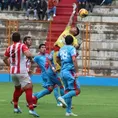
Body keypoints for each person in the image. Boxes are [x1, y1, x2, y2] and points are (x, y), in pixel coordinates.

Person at [3, 32, 39, 117]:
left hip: (13, 72)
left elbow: (4, 59)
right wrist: (31, 59)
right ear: (20, 39)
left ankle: (15, 107)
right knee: (29, 87)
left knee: (17, 89)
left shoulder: (9, 47)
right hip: (21, 71)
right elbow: (28, 54)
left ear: (12, 39)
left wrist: (11, 66)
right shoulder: (22, 45)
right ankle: (31, 108)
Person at [57, 35, 81, 116]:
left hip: (63, 72)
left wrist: (63, 64)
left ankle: (68, 111)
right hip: (69, 72)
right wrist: (77, 71)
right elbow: (74, 59)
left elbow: (57, 59)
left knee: (68, 91)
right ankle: (62, 98)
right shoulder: (72, 48)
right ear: (72, 41)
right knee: (77, 90)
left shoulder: (62, 48)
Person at [53, 3, 80, 72]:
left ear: (76, 32)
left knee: (61, 70)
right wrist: (73, 11)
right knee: (54, 69)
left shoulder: (74, 39)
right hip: (55, 49)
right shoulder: (67, 30)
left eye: (74, 28)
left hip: (61, 52)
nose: (72, 27)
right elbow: (70, 20)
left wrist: (76, 47)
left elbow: (76, 45)